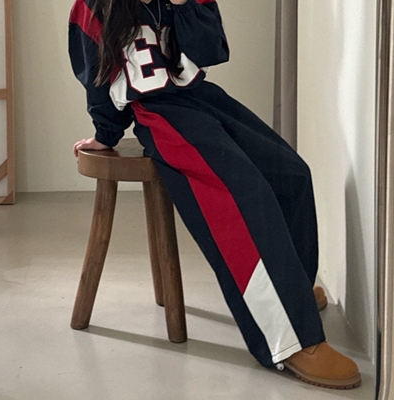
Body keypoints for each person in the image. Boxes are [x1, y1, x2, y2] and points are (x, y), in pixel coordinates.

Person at [68, 0, 361, 389]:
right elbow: (96, 76)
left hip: (202, 98)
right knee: (243, 196)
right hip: (157, 114)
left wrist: (184, 6)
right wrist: (106, 133)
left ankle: (295, 291)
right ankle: (293, 339)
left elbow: (211, 52)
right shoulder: (93, 6)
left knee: (291, 173)